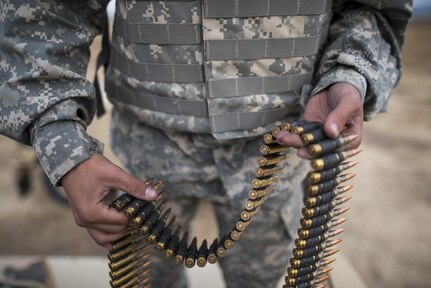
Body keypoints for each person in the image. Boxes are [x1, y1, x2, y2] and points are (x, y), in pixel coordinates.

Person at [0, 0, 412, 287]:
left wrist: (349, 73)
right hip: (146, 146)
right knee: (145, 280)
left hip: (283, 143)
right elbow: (44, 14)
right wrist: (65, 147)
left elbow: (370, 7)